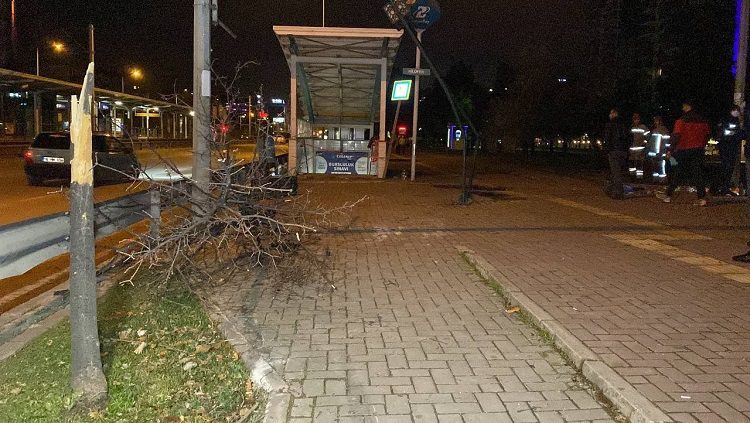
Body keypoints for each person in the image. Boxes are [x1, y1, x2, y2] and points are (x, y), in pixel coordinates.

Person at [656, 101, 711, 206]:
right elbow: (707, 134)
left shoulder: (681, 120)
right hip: (698, 150)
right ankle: (701, 198)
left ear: (688, 106)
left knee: (678, 172)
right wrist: (701, 144)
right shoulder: (703, 120)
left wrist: (670, 150)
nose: (682, 108)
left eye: (684, 106)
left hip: (684, 150)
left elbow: (676, 136)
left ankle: (668, 195)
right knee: (697, 174)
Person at [716, 105, 744, 196]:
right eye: (737, 111)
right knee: (726, 168)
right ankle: (719, 187)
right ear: (733, 110)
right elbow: (724, 133)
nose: (738, 113)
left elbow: (737, 133)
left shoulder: (735, 120)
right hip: (726, 147)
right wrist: (736, 133)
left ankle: (723, 187)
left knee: (729, 168)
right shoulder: (726, 119)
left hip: (732, 147)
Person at [604, 108, 631, 199]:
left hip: (614, 151)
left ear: (614, 114)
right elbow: (629, 138)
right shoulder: (624, 125)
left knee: (616, 172)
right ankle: (610, 189)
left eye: (611, 113)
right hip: (623, 152)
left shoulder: (610, 125)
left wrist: (607, 150)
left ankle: (618, 193)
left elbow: (607, 139)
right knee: (617, 171)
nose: (609, 115)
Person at [629, 113, 650, 178]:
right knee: (632, 163)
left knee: (639, 163)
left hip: (640, 149)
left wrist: (644, 143)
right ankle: (632, 176)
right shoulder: (632, 128)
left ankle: (639, 177)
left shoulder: (643, 127)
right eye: (635, 119)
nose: (636, 121)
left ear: (639, 119)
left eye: (637, 119)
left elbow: (648, 136)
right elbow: (629, 138)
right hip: (632, 149)